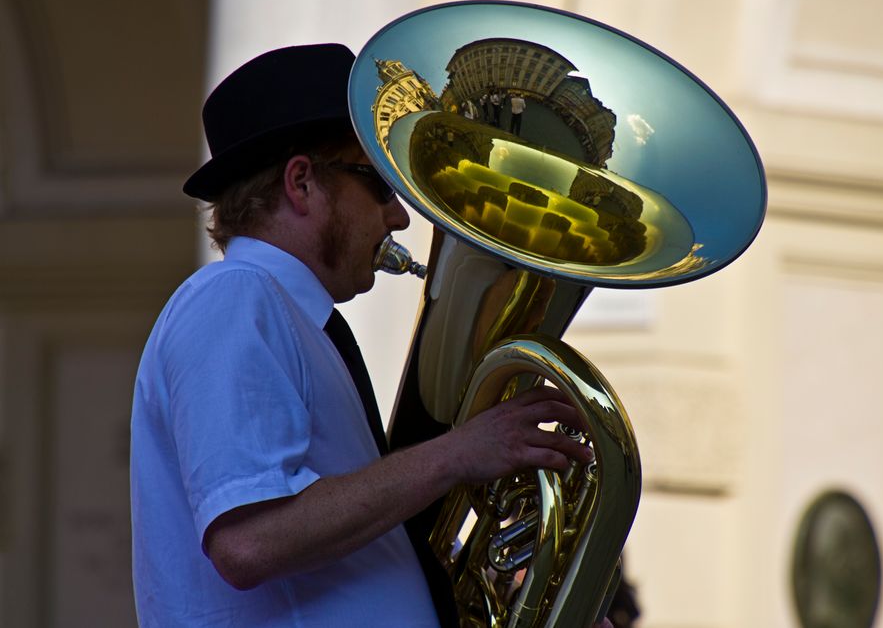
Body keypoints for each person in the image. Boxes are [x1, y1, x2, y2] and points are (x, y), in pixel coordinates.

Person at [129, 43, 608, 627]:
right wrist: (459, 452)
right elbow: (249, 541)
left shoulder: (297, 322)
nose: (401, 215)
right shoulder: (234, 297)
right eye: (378, 184)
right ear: (301, 183)